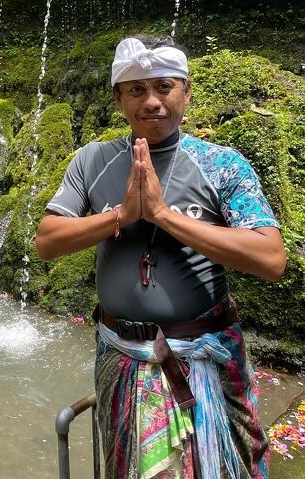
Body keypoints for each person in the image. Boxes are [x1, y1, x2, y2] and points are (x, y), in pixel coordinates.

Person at [35, 35, 285, 479]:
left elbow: (270, 258)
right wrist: (123, 214)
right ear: (118, 98)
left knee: (229, 467)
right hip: (122, 356)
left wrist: (166, 217)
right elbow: (48, 240)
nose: (152, 101)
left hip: (205, 359)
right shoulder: (94, 160)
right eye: (136, 90)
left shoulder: (221, 164)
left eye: (165, 87)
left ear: (186, 92)